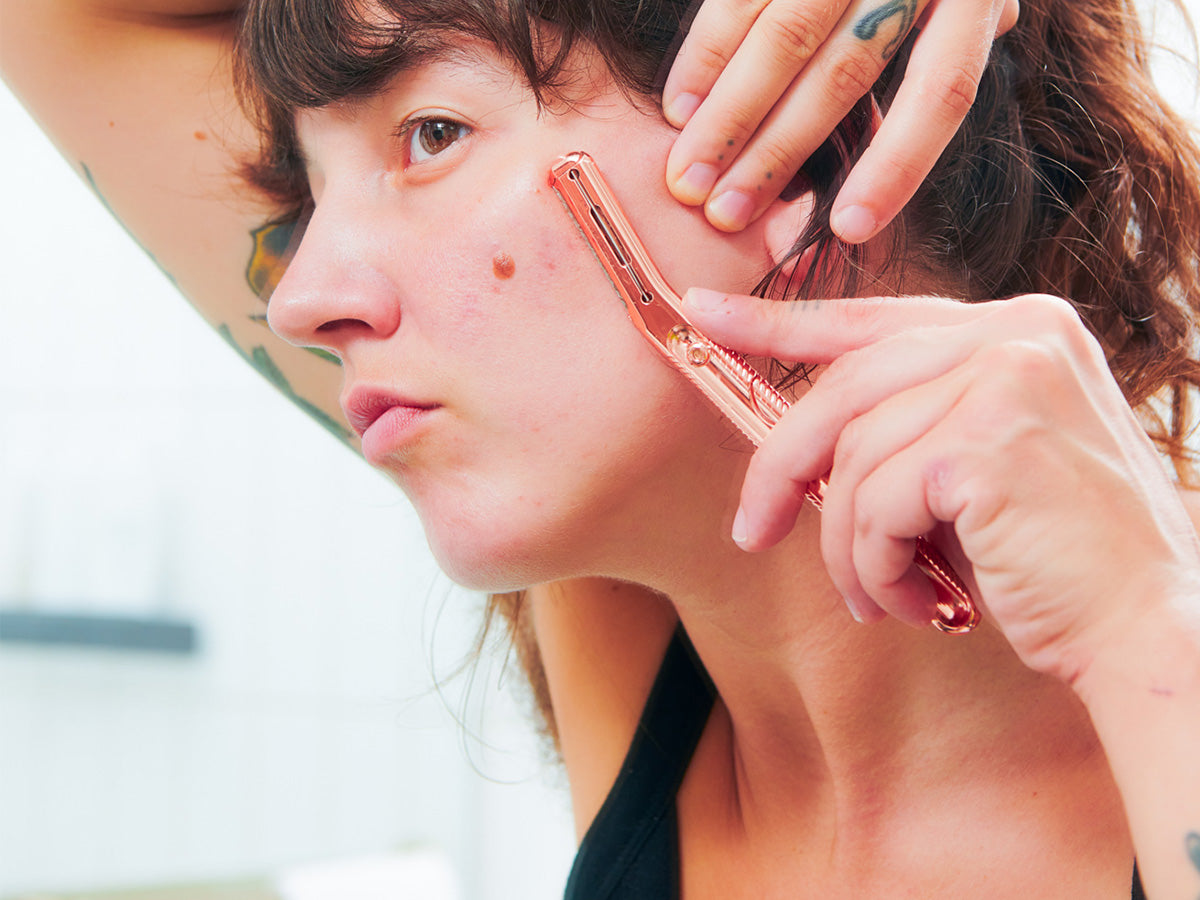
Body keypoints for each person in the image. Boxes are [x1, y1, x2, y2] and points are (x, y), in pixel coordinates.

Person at [3, 2, 1199, 899]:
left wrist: (1153, 634)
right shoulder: (619, 623)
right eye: (304, 202)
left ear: (828, 131)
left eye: (430, 132)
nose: (302, 295)